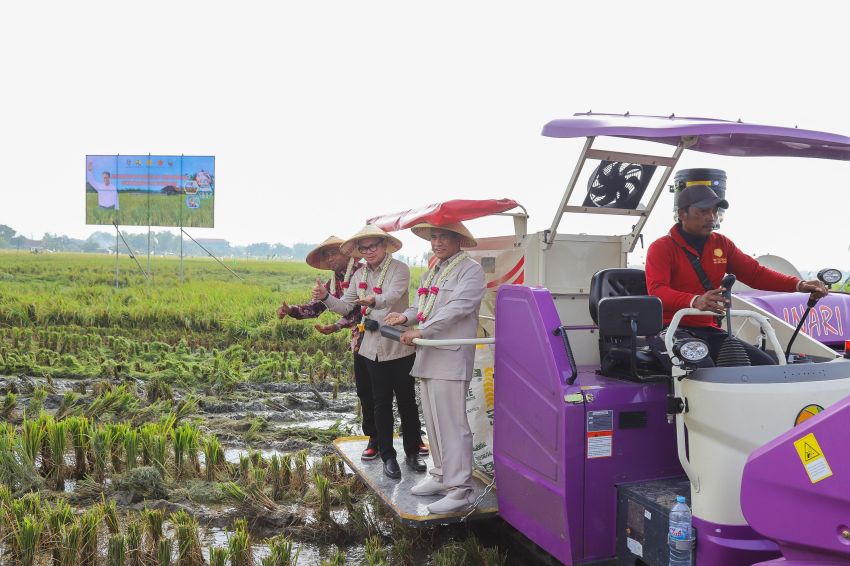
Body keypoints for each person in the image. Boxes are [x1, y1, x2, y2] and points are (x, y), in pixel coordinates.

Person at [646, 184, 828, 366]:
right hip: (669, 328)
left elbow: (755, 274)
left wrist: (800, 285)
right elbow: (657, 291)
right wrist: (695, 300)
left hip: (708, 328)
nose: (711, 217)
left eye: (714, 211)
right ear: (682, 213)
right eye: (702, 211)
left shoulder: (722, 244)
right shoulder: (661, 248)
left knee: (765, 365)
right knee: (700, 366)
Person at [384, 221, 485, 514]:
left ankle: (460, 490)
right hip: (428, 355)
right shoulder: (432, 271)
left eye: (444, 237)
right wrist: (404, 319)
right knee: (434, 423)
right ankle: (441, 475)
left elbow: (459, 308)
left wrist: (422, 330)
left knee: (453, 426)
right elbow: (421, 307)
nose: (437, 242)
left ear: (459, 241)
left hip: (450, 356)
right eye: (434, 237)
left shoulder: (471, 270)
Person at [313, 225, 424, 479]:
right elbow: (345, 307)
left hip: (399, 346)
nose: (369, 251)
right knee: (380, 403)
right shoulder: (359, 275)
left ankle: (412, 452)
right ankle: (388, 456)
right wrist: (325, 297)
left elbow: (392, 295)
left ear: (385, 246)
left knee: (406, 401)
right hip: (370, 348)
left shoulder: (400, 269)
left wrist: (373, 301)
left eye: (374, 246)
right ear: (359, 252)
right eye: (364, 248)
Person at [278, 236, 379, 460]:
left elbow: (359, 310)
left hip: (380, 336)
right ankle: (374, 437)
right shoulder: (332, 282)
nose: (330, 258)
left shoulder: (364, 273)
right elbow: (315, 308)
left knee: (383, 389)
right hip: (359, 341)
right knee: (365, 390)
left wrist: (336, 325)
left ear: (348, 253)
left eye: (334, 252)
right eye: (326, 255)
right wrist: (291, 310)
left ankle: (410, 436)